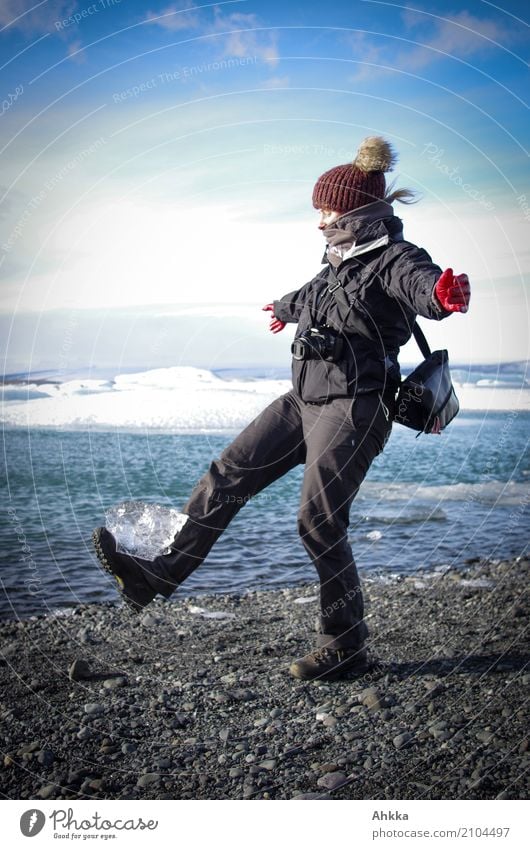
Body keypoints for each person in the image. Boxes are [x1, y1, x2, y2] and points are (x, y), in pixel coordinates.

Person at [93, 136, 470, 681]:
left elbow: (421, 286)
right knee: (226, 476)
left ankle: (345, 645)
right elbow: (307, 297)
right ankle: (156, 575)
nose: (319, 220)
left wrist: (442, 293)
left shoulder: (394, 258)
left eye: (327, 209)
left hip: (355, 409)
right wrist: (283, 308)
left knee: (318, 521)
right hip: (301, 402)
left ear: (355, 211)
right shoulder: (334, 266)